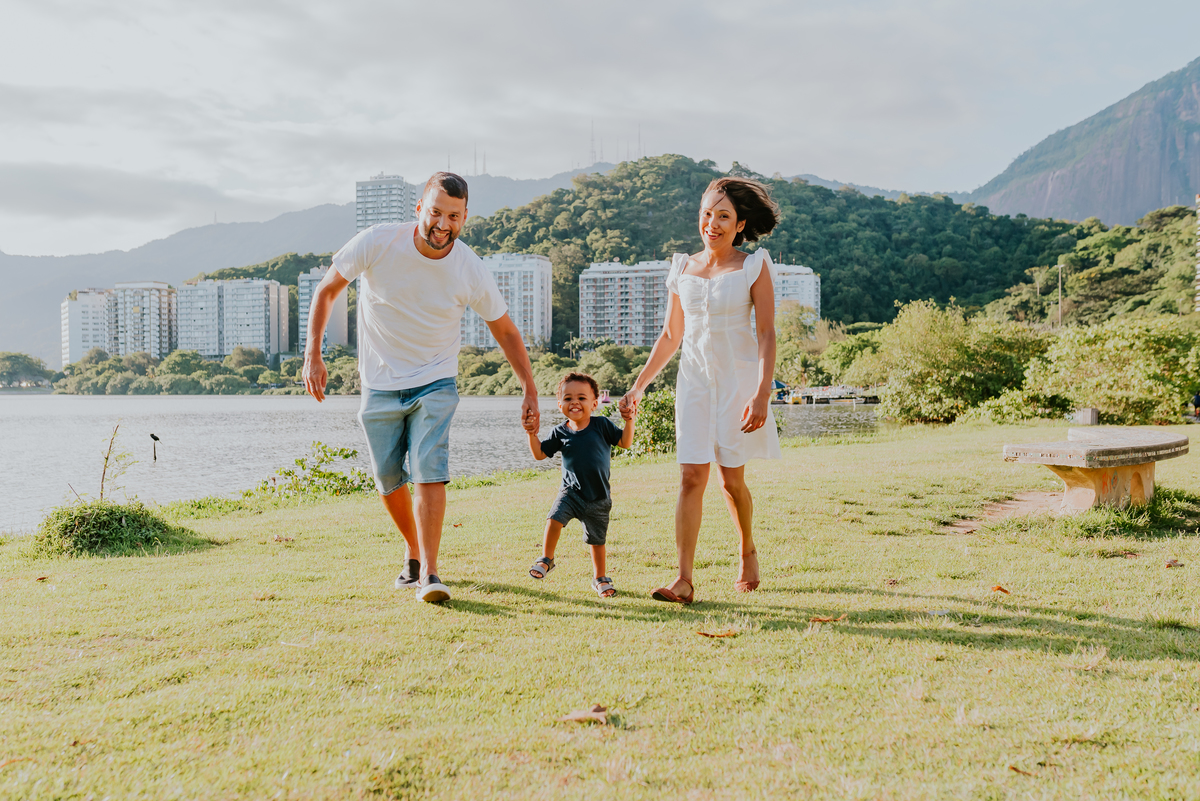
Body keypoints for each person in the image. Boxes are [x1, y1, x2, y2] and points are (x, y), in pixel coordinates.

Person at [303, 172, 539, 604]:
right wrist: (313, 354)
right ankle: (413, 550)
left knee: (430, 469)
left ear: (465, 216)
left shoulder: (469, 266)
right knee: (388, 479)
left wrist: (529, 387)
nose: (443, 224)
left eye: (453, 215)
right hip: (379, 381)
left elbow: (504, 330)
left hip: (436, 379)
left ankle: (430, 573)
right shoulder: (378, 242)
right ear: (420, 210)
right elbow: (327, 289)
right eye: (435, 212)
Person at [620, 176, 782, 604]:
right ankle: (684, 579)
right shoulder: (682, 267)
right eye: (706, 214)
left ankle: (747, 548)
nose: (712, 223)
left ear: (740, 222)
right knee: (691, 476)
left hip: (738, 383)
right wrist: (639, 386)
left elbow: (766, 333)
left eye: (723, 216)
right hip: (693, 382)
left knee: (731, 482)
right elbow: (671, 335)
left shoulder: (753, 265)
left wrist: (763, 391)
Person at [527, 372, 635, 598]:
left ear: (594, 403)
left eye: (581, 398)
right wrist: (531, 433)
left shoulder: (602, 425)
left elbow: (625, 443)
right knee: (553, 519)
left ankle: (599, 578)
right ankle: (546, 558)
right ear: (559, 405)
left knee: (597, 541)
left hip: (598, 497)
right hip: (570, 493)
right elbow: (539, 454)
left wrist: (629, 420)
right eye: (568, 398)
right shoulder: (559, 432)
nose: (574, 402)